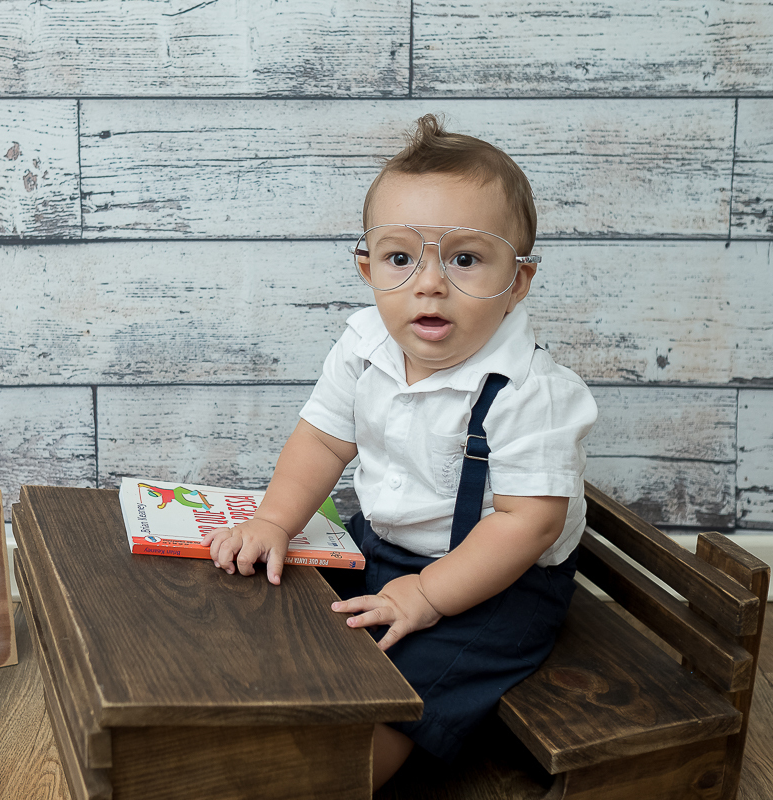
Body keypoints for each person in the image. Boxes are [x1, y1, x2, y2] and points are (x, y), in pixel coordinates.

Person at [202, 114, 597, 788]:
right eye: (400, 257)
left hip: (496, 579)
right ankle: (246, 730)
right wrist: (274, 520)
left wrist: (431, 596)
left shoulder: (532, 392)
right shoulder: (365, 347)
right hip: (381, 544)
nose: (430, 283)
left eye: (466, 258)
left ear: (518, 280)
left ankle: (337, 780)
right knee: (278, 611)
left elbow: (528, 522)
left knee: (405, 683)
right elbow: (323, 440)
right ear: (368, 267)